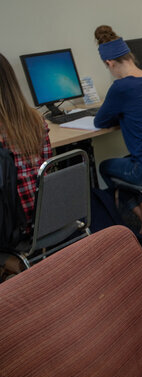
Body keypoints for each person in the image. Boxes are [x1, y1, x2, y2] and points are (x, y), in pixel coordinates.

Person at [93, 25, 142, 239]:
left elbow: (100, 121)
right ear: (129, 56)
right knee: (126, 161)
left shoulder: (121, 88)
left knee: (105, 167)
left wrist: (120, 114)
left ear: (110, 63)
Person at [0, 52, 51, 279]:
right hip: (44, 215)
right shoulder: (36, 119)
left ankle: (8, 261)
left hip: (15, 226)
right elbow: (48, 170)